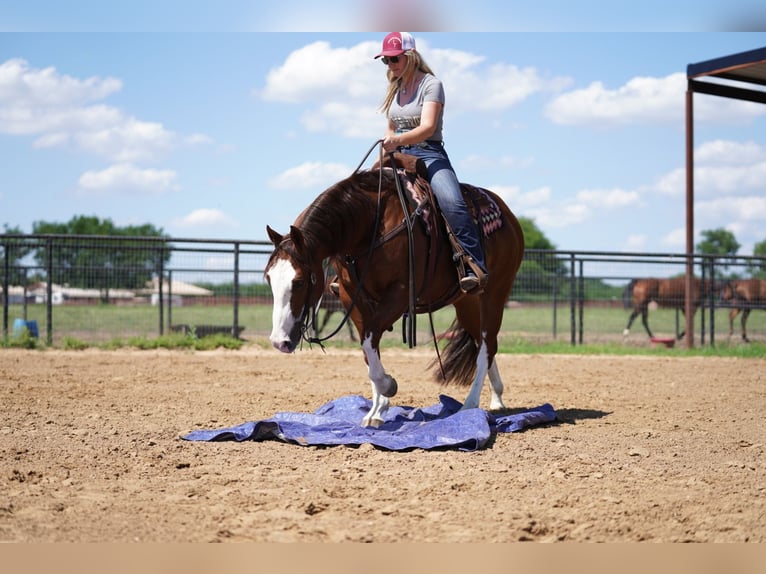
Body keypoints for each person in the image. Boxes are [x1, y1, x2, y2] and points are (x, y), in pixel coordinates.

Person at [375, 32, 487, 294]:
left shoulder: (431, 84)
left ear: (410, 57)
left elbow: (427, 128)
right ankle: (347, 272)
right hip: (398, 154)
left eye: (394, 59)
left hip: (429, 154)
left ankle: (474, 265)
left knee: (452, 202)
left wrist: (397, 140)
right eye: (386, 61)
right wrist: (390, 141)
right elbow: (391, 126)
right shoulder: (395, 87)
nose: (390, 65)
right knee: (360, 195)